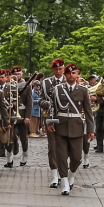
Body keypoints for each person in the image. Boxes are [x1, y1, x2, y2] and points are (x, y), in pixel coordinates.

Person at [47, 64, 95, 195]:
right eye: (68, 73)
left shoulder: (83, 90)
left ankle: (71, 174)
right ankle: (64, 182)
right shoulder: (57, 89)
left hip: (77, 127)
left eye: (74, 73)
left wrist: (91, 130)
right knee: (61, 157)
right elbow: (52, 108)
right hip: (60, 127)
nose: (71, 75)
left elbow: (88, 112)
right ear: (65, 74)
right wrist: (50, 122)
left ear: (77, 74)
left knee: (76, 158)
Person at [40, 59, 67, 187]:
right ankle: (54, 175)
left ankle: (63, 173)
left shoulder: (69, 81)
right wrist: (46, 103)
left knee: (65, 146)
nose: (58, 71)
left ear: (64, 68)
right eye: (55, 69)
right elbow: (40, 99)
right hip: (50, 116)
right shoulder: (46, 83)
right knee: (53, 146)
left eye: (60, 69)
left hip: (65, 118)